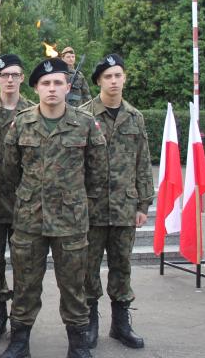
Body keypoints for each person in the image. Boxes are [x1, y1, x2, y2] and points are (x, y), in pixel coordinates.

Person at [0, 57, 107, 358]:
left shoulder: (84, 123)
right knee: (25, 284)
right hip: (29, 220)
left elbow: (97, 173)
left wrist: (78, 202)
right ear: (35, 88)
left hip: (70, 222)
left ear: (68, 87)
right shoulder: (22, 123)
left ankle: (78, 344)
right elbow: (10, 172)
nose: (52, 88)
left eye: (58, 82)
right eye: (45, 83)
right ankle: (19, 343)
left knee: (74, 287)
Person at [80, 54, 154, 350]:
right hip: (91, 207)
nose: (113, 81)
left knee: (122, 264)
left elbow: (142, 162)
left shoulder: (135, 117)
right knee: (88, 265)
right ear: (98, 81)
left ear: (124, 78)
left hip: (125, 206)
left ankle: (121, 324)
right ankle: (89, 323)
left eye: (117, 75)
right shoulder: (84, 116)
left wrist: (143, 205)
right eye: (107, 76)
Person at [0, 54, 34, 342]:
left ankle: (21, 317)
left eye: (15, 74)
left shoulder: (35, 112)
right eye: (5, 76)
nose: (10, 80)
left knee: (25, 263)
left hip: (26, 204)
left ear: (22, 78)